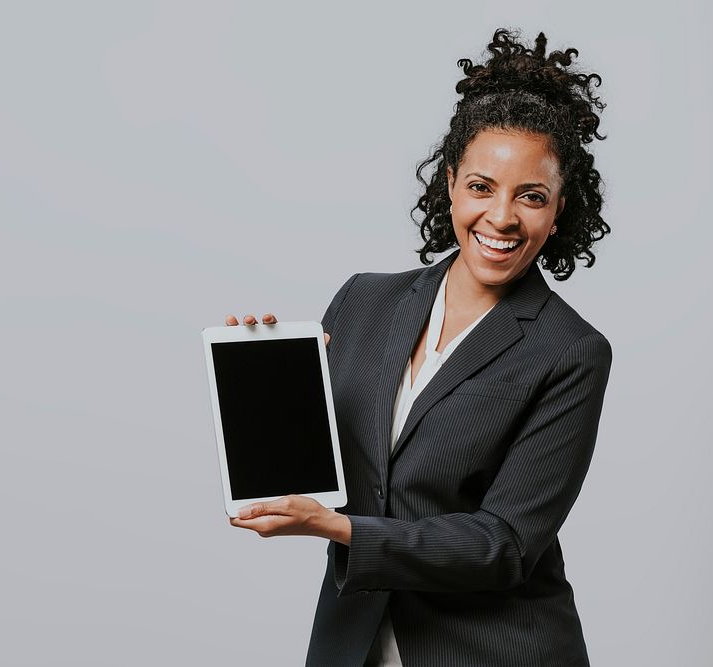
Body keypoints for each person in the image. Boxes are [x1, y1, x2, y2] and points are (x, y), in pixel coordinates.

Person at [224, 28, 613, 667]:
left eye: (532, 197)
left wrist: (342, 531)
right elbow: (319, 469)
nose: (503, 217)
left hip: (495, 650)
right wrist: (260, 374)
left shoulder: (570, 351)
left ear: (560, 207)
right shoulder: (363, 302)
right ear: (452, 183)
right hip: (355, 642)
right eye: (483, 187)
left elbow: (505, 545)